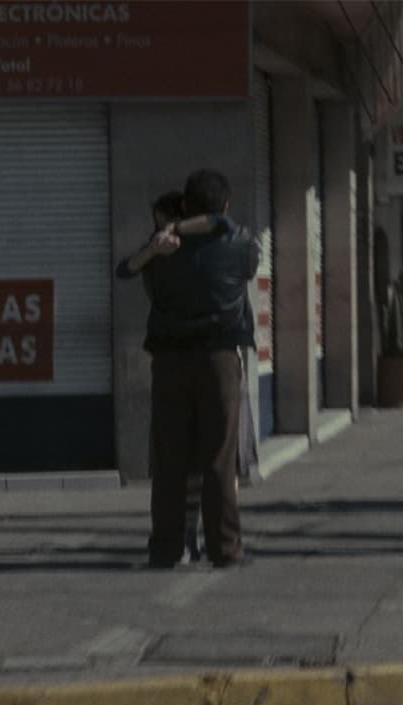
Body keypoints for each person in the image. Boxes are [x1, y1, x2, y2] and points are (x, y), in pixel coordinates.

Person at [118, 169, 258, 569]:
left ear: (184, 204)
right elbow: (227, 230)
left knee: (169, 461)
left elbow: (126, 270)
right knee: (219, 459)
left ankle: (166, 548)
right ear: (225, 204)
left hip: (169, 362)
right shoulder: (240, 244)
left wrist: (170, 231)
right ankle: (225, 548)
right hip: (219, 360)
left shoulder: (162, 248)